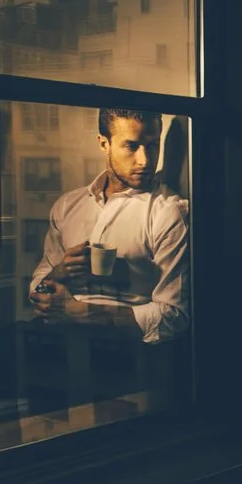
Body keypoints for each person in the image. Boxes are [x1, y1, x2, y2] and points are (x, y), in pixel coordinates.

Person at [28, 108, 188, 344]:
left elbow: (175, 316)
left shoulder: (167, 212)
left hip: (130, 357)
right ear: (104, 144)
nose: (145, 160)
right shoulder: (67, 205)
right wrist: (59, 271)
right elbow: (37, 287)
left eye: (153, 145)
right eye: (131, 146)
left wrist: (76, 311)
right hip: (60, 346)